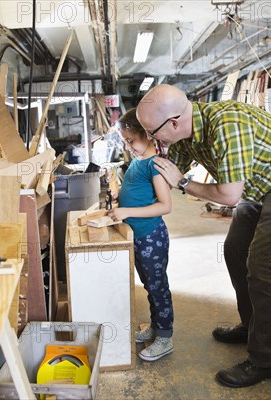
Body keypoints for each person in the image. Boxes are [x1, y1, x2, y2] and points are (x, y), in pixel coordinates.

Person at [136, 84, 271, 387]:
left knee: (263, 269)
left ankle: (265, 360)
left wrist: (184, 183)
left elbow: (228, 196)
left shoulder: (227, 125)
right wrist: (133, 195)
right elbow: (162, 175)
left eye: (151, 131)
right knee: (235, 252)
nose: (150, 139)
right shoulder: (183, 134)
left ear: (173, 122)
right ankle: (251, 327)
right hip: (258, 185)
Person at [108, 108, 174, 362]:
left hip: (151, 237)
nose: (128, 146)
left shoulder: (154, 164)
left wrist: (126, 211)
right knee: (149, 285)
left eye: (131, 140)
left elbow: (165, 206)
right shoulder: (137, 162)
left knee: (158, 287)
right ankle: (157, 328)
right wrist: (118, 200)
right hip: (138, 237)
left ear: (147, 134)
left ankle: (165, 336)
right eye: (125, 141)